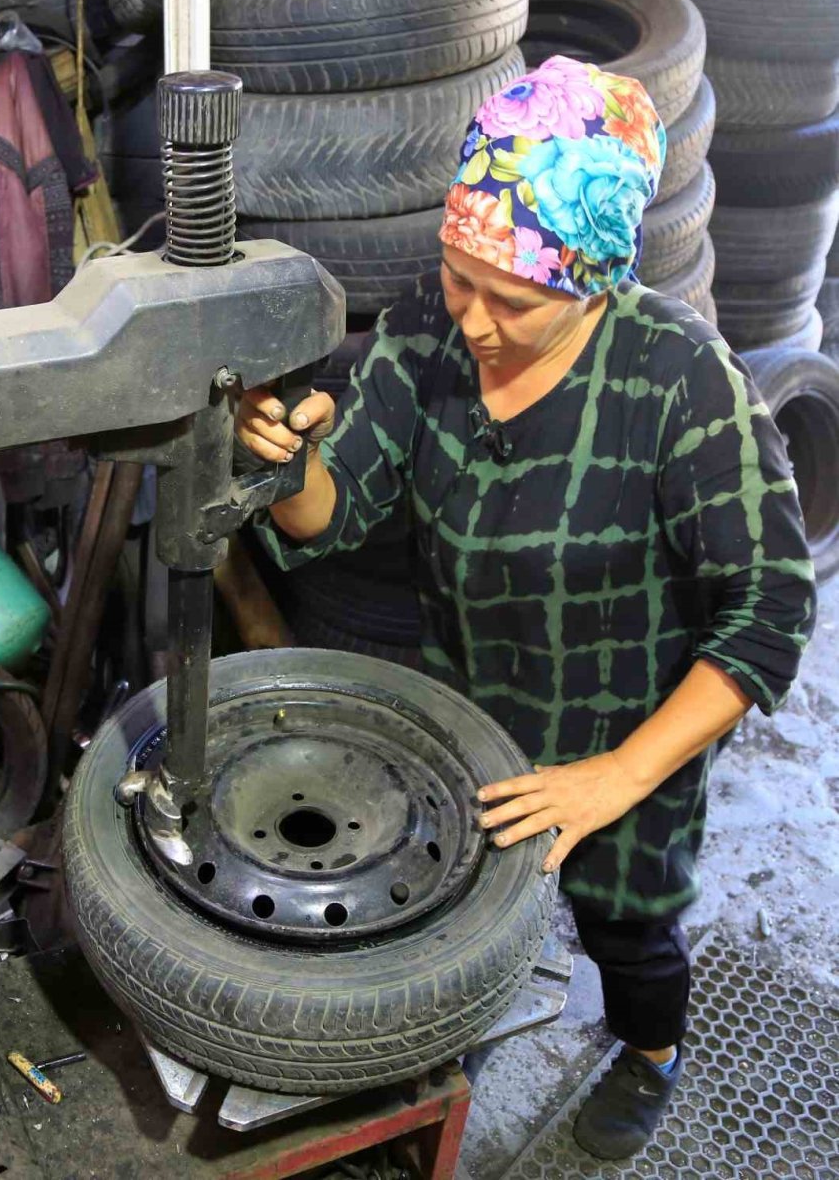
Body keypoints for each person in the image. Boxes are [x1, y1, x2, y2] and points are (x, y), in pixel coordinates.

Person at [236, 56, 816, 1160]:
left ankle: (651, 1051)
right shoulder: (428, 327)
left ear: (594, 280)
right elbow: (334, 510)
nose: (477, 319)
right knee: (459, 916)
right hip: (473, 723)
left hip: (624, 739)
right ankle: (464, 1038)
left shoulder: (682, 381)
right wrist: (288, 456)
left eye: (513, 299)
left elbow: (771, 607)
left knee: (628, 926)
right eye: (462, 278)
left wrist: (613, 781)